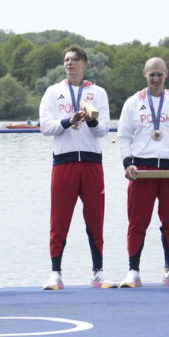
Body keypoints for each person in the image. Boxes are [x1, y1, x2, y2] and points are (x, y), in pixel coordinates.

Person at [39, 45, 112, 290]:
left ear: (84, 64)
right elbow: (45, 127)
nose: (70, 64)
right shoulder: (53, 92)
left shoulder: (98, 93)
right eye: (67, 60)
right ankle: (55, 273)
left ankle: (98, 272)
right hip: (64, 161)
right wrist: (68, 121)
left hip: (92, 162)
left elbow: (104, 130)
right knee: (59, 219)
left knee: (95, 218)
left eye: (75, 60)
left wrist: (91, 121)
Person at [116, 57, 169, 288]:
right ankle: (133, 271)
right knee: (137, 222)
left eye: (160, 74)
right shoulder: (133, 102)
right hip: (142, 169)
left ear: (166, 74)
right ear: (144, 74)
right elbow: (123, 136)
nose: (156, 79)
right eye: (152, 75)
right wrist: (127, 163)